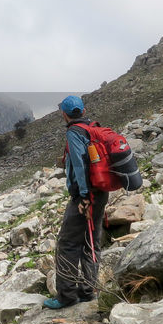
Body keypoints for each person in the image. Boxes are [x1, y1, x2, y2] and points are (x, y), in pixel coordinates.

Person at [44, 94, 109, 309]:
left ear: (64, 113)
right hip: (100, 192)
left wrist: (83, 197)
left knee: (67, 243)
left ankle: (66, 296)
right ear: (82, 110)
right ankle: (88, 291)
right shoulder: (92, 128)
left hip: (85, 196)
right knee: (92, 242)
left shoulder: (74, 133)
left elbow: (80, 165)